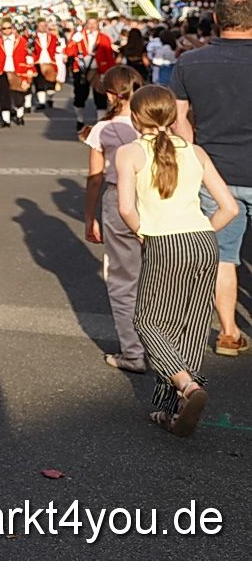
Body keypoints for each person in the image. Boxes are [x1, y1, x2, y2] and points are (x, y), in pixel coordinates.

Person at [116, 85, 240, 437]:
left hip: (163, 241)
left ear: (136, 116)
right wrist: (201, 231)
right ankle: (171, 410)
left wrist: (143, 232)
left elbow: (126, 207)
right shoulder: (195, 152)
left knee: (149, 323)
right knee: (191, 326)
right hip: (203, 240)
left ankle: (187, 389)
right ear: (172, 115)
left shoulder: (130, 152)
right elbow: (229, 207)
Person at [169, 0, 252, 359]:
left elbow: (179, 122)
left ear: (216, 19)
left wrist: (195, 161)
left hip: (217, 173)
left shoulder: (190, 63)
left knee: (223, 257)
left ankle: (229, 333)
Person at [82, 66, 146, 374]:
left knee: (122, 278)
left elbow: (94, 177)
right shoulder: (153, 125)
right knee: (155, 275)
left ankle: (133, 351)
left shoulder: (101, 129)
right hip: (152, 198)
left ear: (109, 94)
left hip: (116, 195)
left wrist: (88, 217)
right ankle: (163, 344)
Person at [65, 17, 116, 128]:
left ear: (98, 24)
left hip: (98, 71)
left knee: (100, 96)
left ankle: (100, 122)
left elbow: (109, 56)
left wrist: (109, 72)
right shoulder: (79, 37)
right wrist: (73, 41)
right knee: (80, 96)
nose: (92, 25)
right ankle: (80, 120)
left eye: (94, 23)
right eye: (89, 23)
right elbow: (68, 52)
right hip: (81, 70)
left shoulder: (104, 38)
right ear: (86, 24)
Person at [0, 19, 33, 127]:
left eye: (9, 28)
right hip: (2, 71)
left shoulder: (21, 41)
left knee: (18, 93)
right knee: (3, 95)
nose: (6, 30)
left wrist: (29, 67)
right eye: (4, 28)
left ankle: (20, 115)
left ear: (12, 28)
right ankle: (6, 119)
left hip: (17, 70)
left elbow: (26, 54)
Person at [31, 18, 63, 111]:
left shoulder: (52, 37)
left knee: (51, 82)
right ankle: (41, 102)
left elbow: (57, 47)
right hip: (38, 61)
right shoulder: (33, 38)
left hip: (50, 61)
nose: (43, 27)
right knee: (39, 82)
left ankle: (50, 98)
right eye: (41, 25)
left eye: (44, 25)